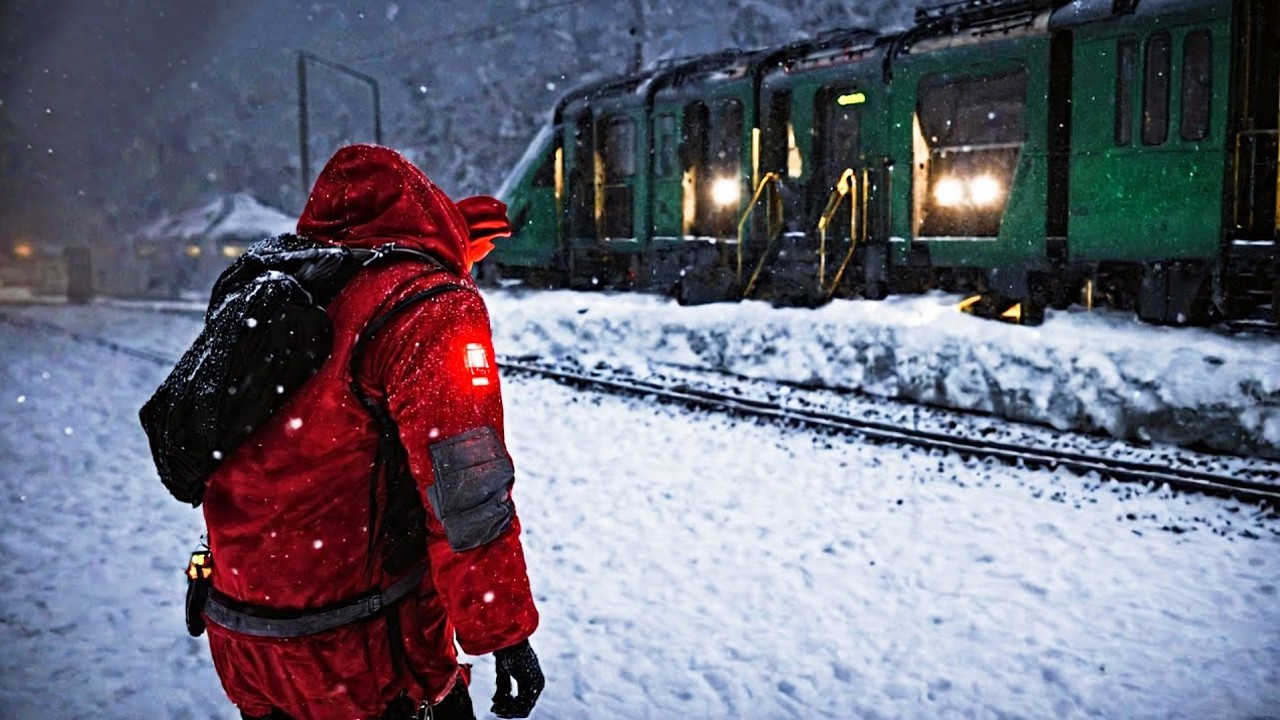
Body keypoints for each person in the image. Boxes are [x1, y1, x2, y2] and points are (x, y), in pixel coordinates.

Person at [198, 144, 543, 720]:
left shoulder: (286, 285)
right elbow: (466, 492)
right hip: (366, 653)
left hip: (246, 639)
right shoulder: (429, 309)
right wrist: (503, 633)